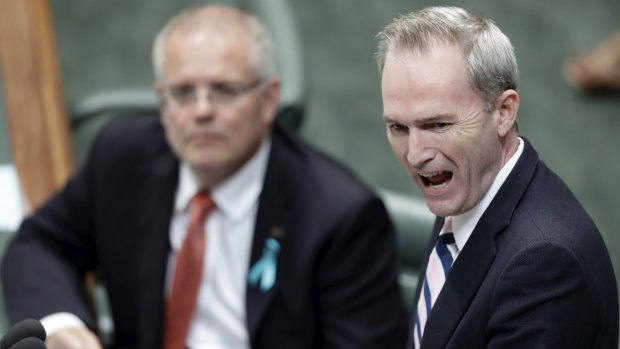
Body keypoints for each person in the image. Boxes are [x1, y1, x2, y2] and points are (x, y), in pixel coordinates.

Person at [1, 5, 408, 349]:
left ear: (269, 99)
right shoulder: (123, 157)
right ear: (162, 104)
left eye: (224, 90)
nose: (201, 111)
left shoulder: (339, 214)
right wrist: (61, 326)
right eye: (182, 93)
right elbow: (40, 244)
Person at [376, 6, 618, 348]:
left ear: (503, 113)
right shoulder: (466, 183)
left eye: (438, 125)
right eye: (398, 127)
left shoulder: (544, 266)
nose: (416, 154)